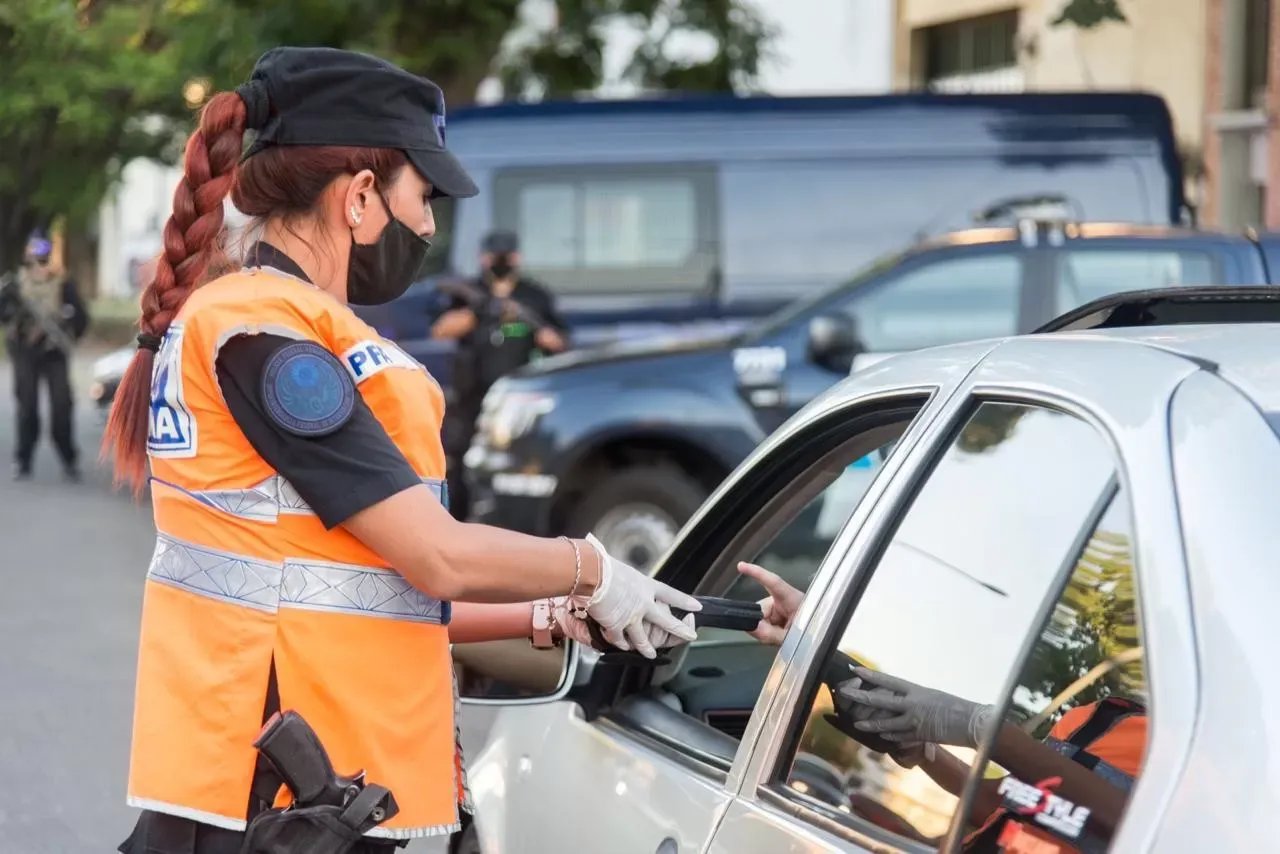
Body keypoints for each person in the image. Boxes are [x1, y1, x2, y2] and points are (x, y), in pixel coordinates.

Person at [101, 46, 700, 854]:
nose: (427, 224)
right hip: (275, 797)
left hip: (278, 792)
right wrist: (592, 570)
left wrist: (547, 614)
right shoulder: (267, 340)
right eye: (424, 197)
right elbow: (438, 559)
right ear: (357, 197)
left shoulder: (270, 321)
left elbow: (360, 591)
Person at [737, 562, 1146, 852]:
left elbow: (1148, 828)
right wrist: (927, 752)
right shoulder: (1096, 718)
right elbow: (1010, 801)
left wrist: (981, 728)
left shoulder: (1188, 759)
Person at [430, 229, 568, 520]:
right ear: (484, 258)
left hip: (521, 401)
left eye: (508, 256)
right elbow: (441, 330)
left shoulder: (534, 296)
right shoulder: (470, 293)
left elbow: (561, 341)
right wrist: (481, 311)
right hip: (473, 398)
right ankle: (457, 523)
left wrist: (537, 329)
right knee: (461, 466)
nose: (502, 261)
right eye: (497, 256)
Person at [0, 234, 88, 481]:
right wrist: (14, 313)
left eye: (42, 261)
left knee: (62, 407)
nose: (38, 267)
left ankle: (69, 458)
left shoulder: (63, 284)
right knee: (27, 407)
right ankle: (23, 459)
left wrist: (68, 325)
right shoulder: (16, 285)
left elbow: (82, 318)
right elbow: (3, 315)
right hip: (25, 352)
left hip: (54, 352)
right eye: (32, 262)